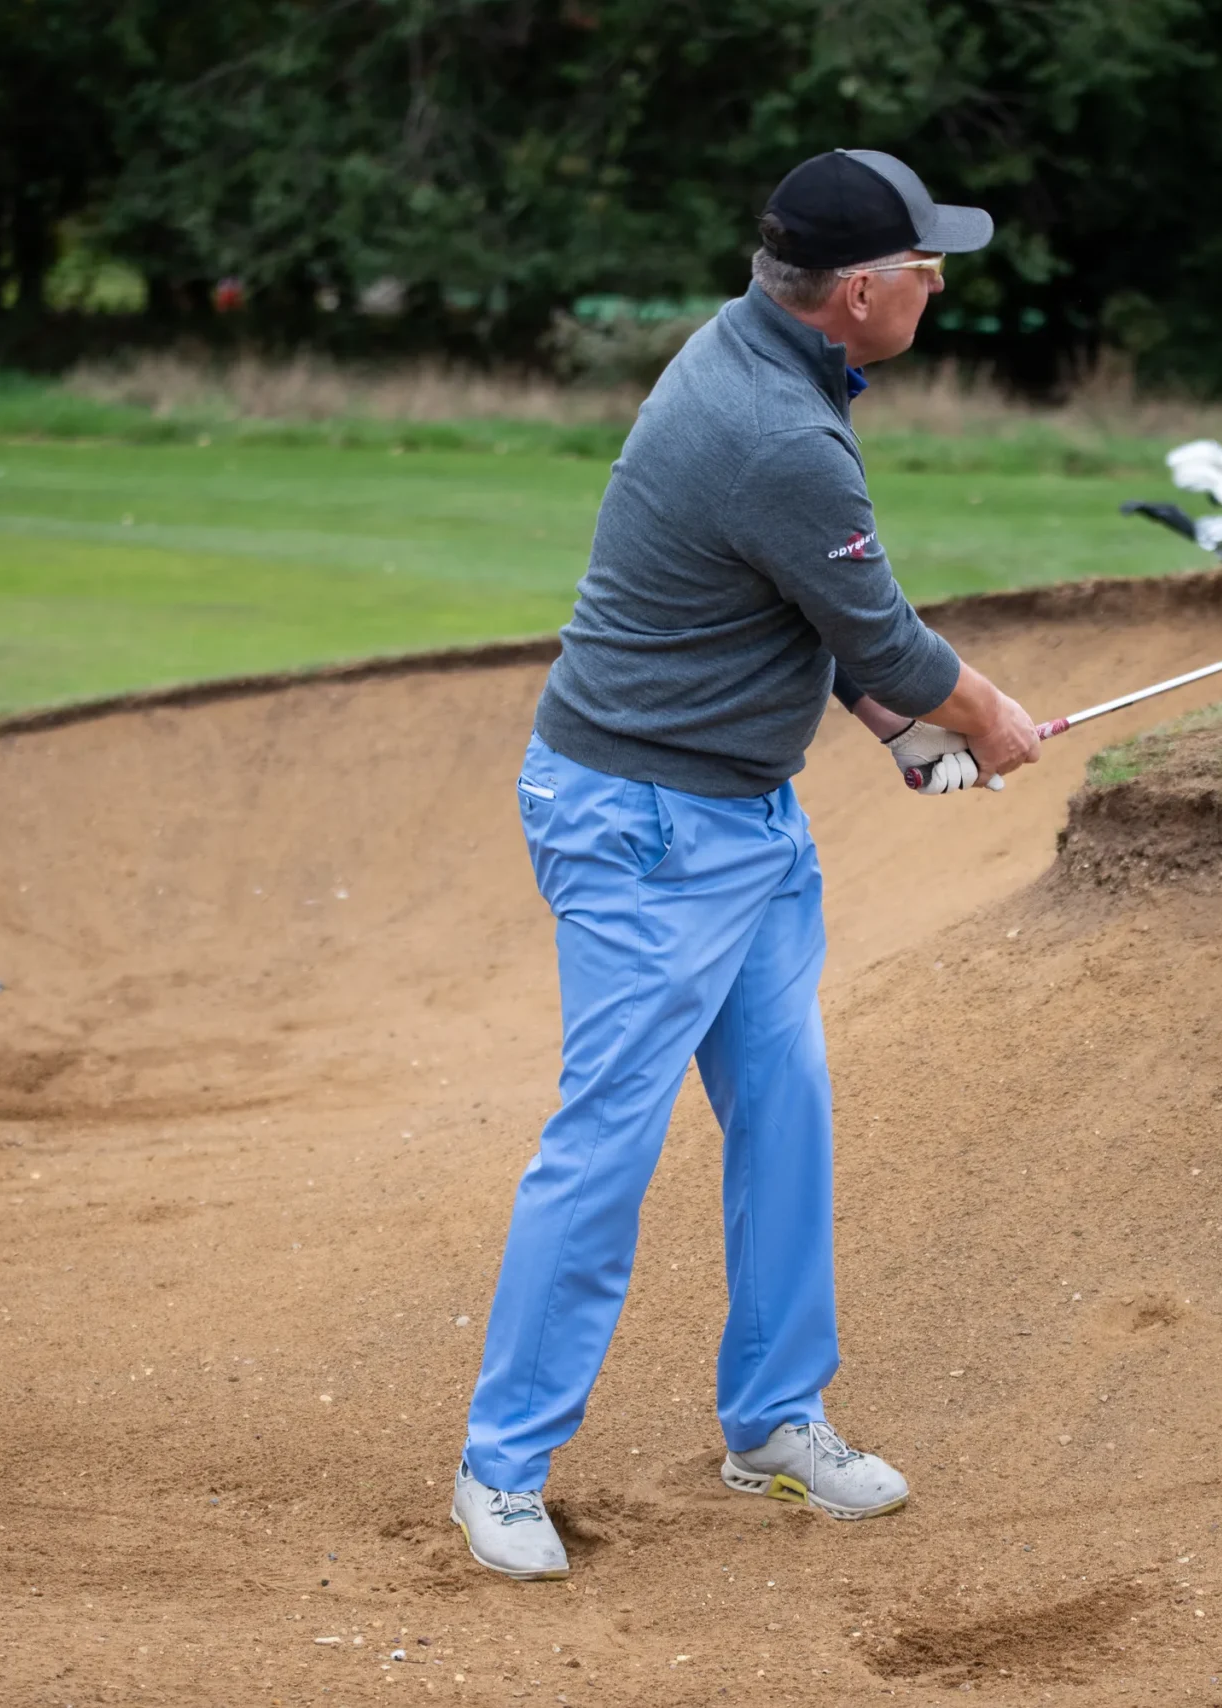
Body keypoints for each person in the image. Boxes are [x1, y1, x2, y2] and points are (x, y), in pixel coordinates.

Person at [448, 149, 1043, 1580]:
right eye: (925, 267)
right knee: (608, 1141)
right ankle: (501, 1469)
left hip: (741, 819)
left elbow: (803, 619)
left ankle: (774, 1419)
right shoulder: (779, 428)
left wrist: (894, 731)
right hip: (643, 824)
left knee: (785, 1109)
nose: (939, 286)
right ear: (859, 292)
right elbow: (886, 638)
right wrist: (984, 718)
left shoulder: (762, 354)